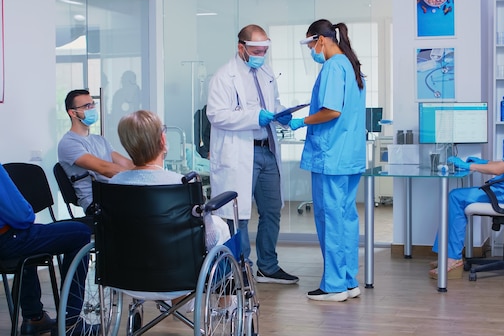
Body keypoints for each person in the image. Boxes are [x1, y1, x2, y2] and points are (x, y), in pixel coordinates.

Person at [206, 24, 298, 285]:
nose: (261, 55)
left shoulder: (266, 72)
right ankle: (240, 270)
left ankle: (267, 267)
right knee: (240, 215)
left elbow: (272, 104)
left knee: (272, 211)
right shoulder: (224, 77)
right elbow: (216, 114)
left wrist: (283, 116)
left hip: (266, 150)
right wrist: (253, 117)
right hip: (239, 154)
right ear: (241, 47)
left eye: (264, 50)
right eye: (256, 50)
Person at [109, 110, 230, 303]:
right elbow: (209, 240)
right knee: (219, 227)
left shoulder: (113, 185)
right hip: (177, 278)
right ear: (163, 140)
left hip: (127, 279)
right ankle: (225, 304)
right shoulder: (181, 185)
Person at [434, 89, 504, 279]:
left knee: (455, 197)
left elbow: (500, 170)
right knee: (457, 196)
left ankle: (452, 257)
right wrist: (482, 162)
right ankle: (446, 255)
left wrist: (470, 166)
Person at [290, 19, 366, 302]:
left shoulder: (333, 67)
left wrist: (301, 121)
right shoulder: (350, 64)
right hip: (348, 156)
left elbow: (331, 111)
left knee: (331, 219)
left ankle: (334, 286)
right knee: (345, 218)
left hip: (331, 156)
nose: (311, 50)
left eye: (311, 44)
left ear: (320, 40)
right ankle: (348, 281)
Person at [0, 163, 93, 335]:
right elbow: (23, 217)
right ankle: (70, 323)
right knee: (80, 232)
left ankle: (34, 318)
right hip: (6, 240)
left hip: (8, 240)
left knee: (28, 239)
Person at [58, 89, 133, 215]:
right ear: (73, 112)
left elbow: (125, 163)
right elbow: (104, 169)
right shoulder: (68, 143)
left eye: (93, 104)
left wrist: (150, 171)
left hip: (114, 195)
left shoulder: (99, 140)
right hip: (96, 203)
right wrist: (137, 175)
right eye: (87, 106)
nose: (92, 108)